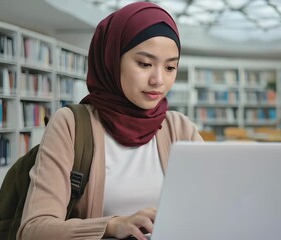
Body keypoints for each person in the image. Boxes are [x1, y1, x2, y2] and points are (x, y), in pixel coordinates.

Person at [17, 2, 203, 240]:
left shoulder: (180, 128)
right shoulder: (70, 125)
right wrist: (112, 226)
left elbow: (211, 206)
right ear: (111, 60)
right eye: (145, 64)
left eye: (170, 67)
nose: (158, 80)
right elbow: (33, 229)